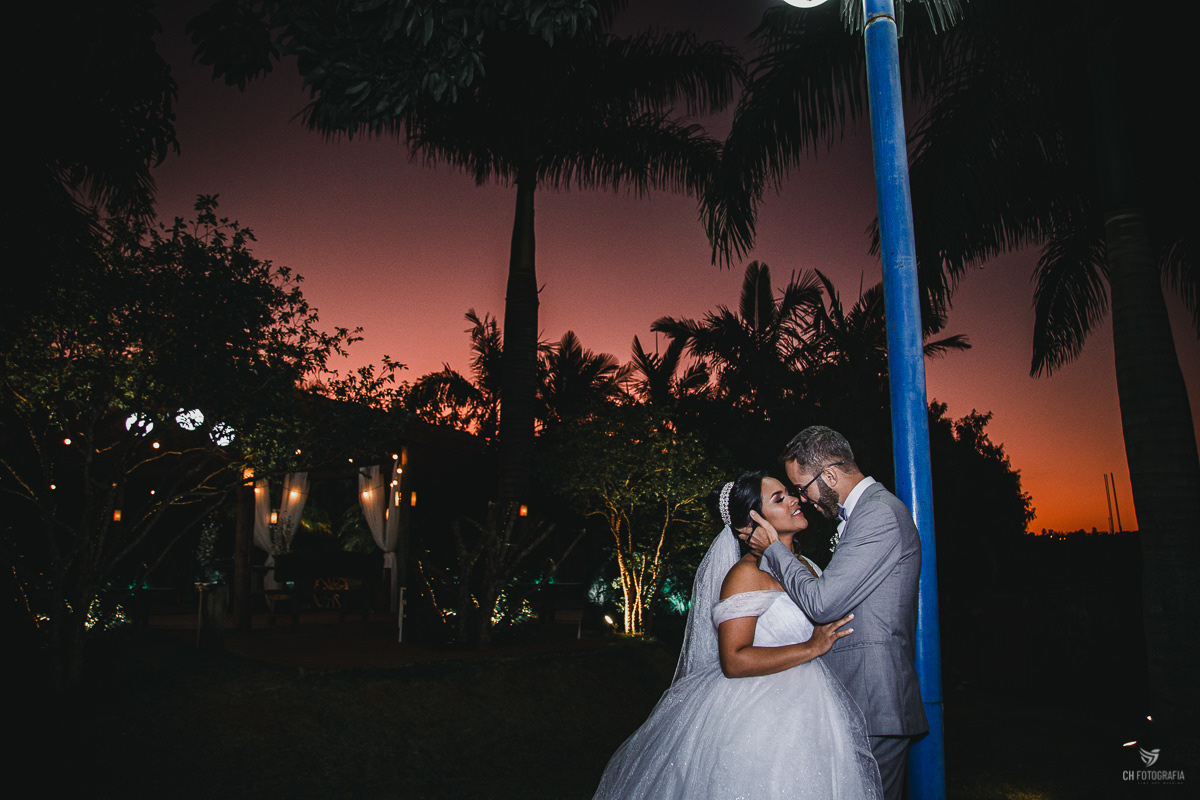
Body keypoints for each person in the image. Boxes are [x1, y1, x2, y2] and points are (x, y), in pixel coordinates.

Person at [592, 471, 883, 800]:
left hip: (817, 707)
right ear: (749, 528)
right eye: (779, 499)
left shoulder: (808, 566)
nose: (795, 500)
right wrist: (811, 647)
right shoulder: (745, 575)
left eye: (789, 493)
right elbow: (733, 659)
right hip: (760, 716)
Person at [744, 427, 927, 800]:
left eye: (802, 487)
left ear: (828, 476)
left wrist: (776, 549)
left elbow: (823, 603)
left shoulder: (878, 514)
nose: (803, 499)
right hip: (855, 699)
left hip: (874, 698)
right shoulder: (866, 515)